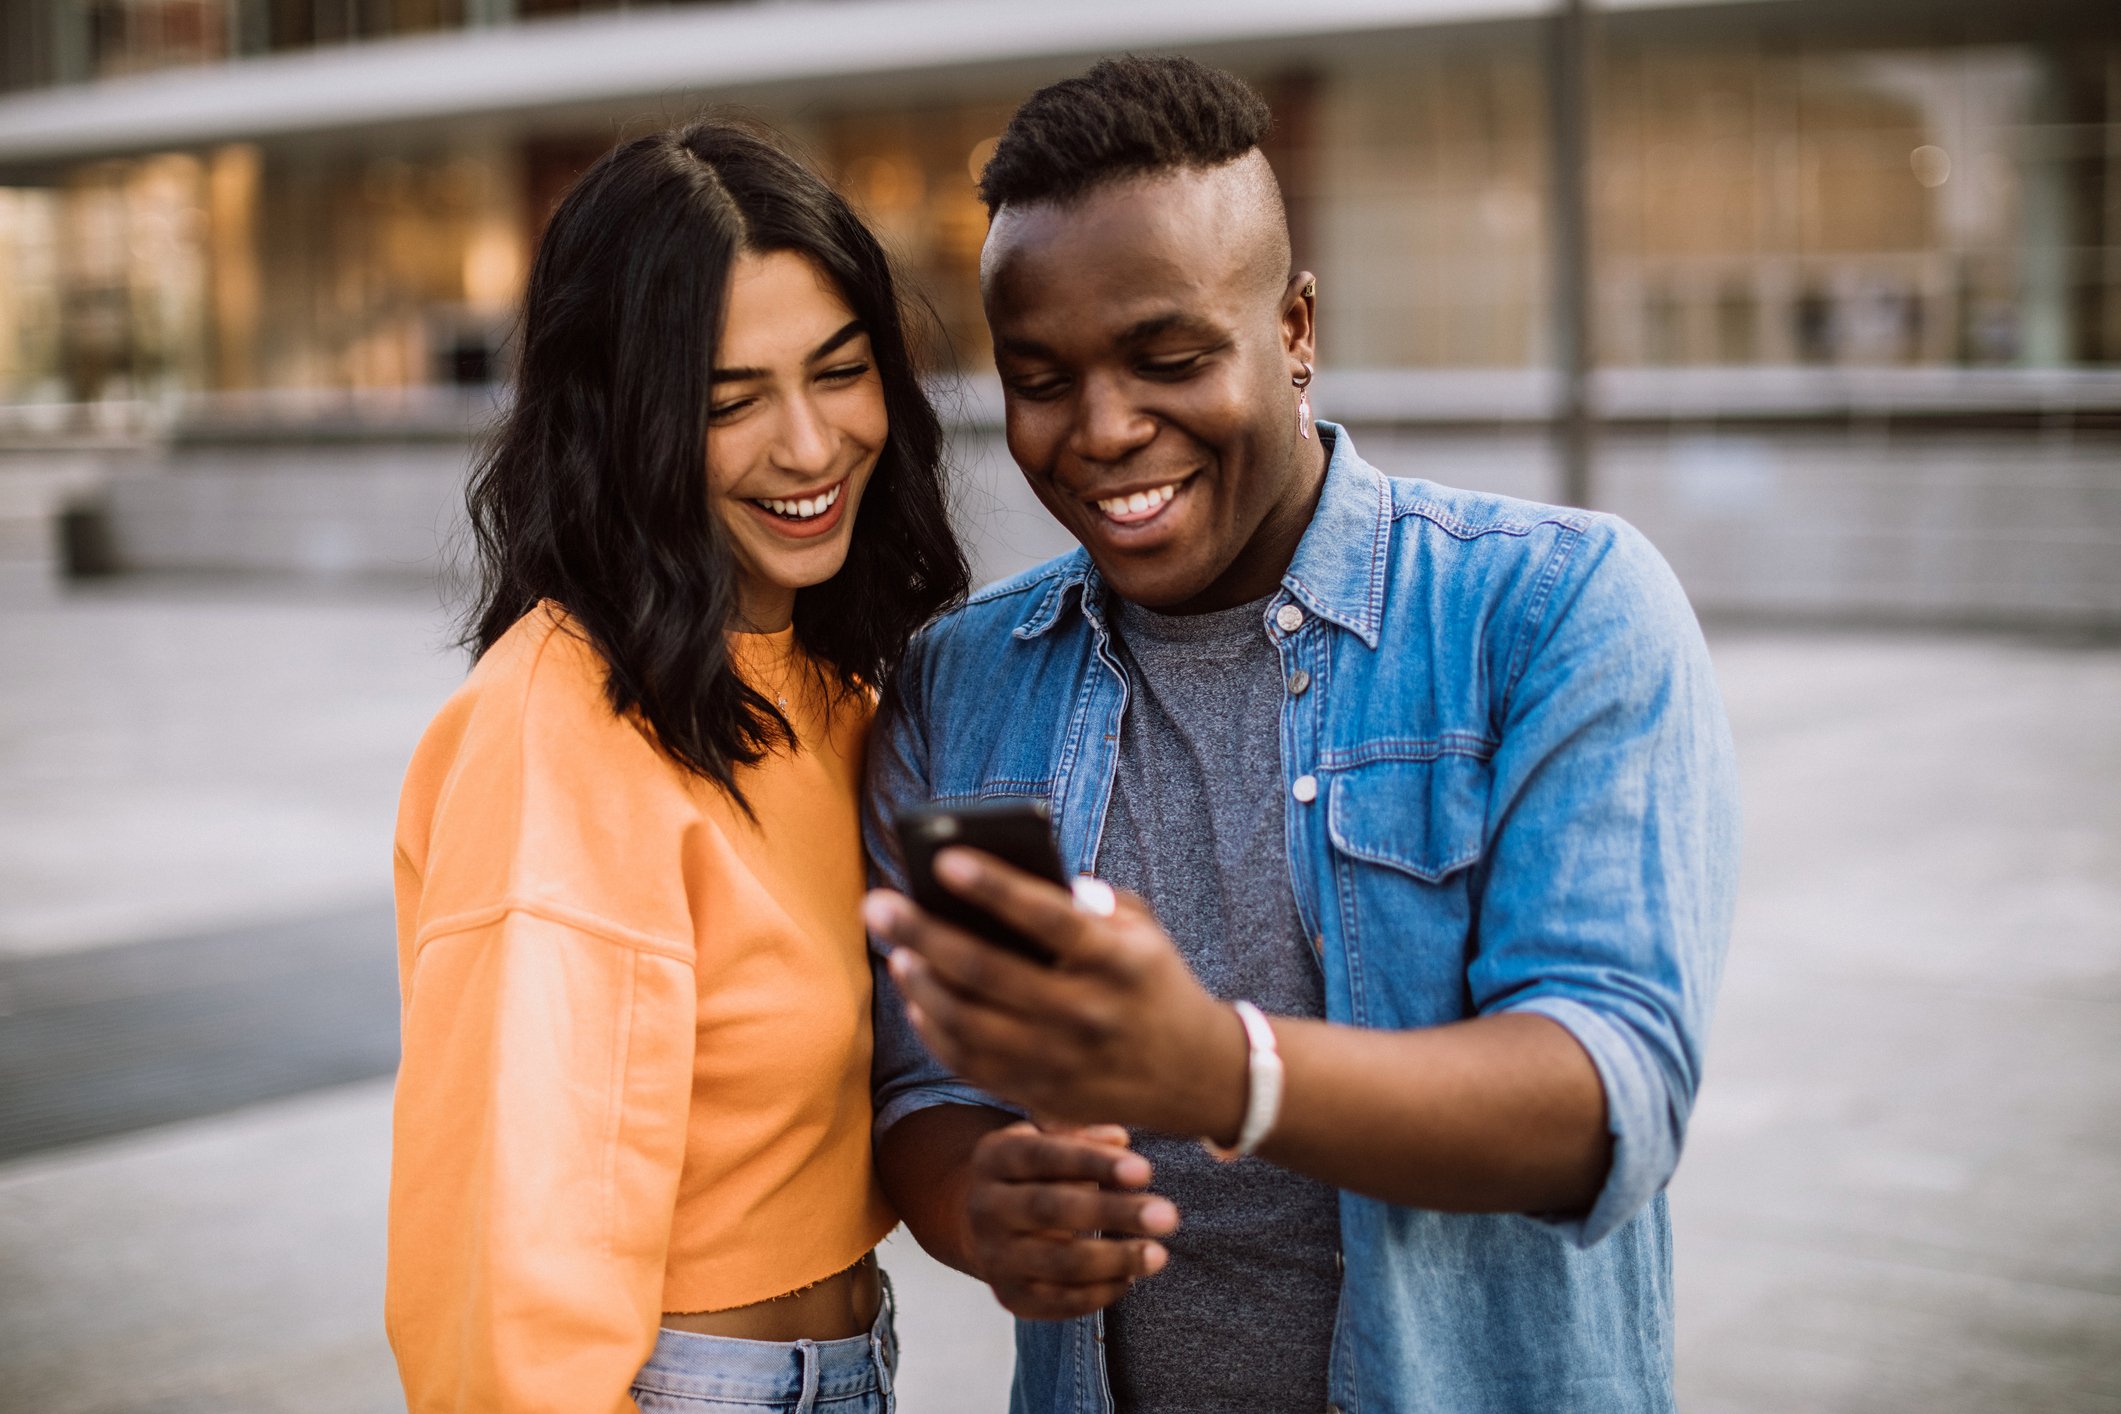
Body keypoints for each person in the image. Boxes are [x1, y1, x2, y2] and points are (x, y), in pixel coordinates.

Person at [861, 57, 1739, 1414]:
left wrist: (1221, 1069)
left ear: (1293, 328)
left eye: (1168, 359)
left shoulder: (1554, 609)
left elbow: (1605, 1099)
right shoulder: (958, 679)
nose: (1101, 431)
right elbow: (920, 1089)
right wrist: (984, 1208)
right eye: (1040, 377)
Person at [386, 119, 968, 1413]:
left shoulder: (835, 691)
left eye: (840, 371)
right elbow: (510, 1233)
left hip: (843, 1363)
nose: (810, 446)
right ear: (622, 424)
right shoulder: (557, 730)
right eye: (729, 401)